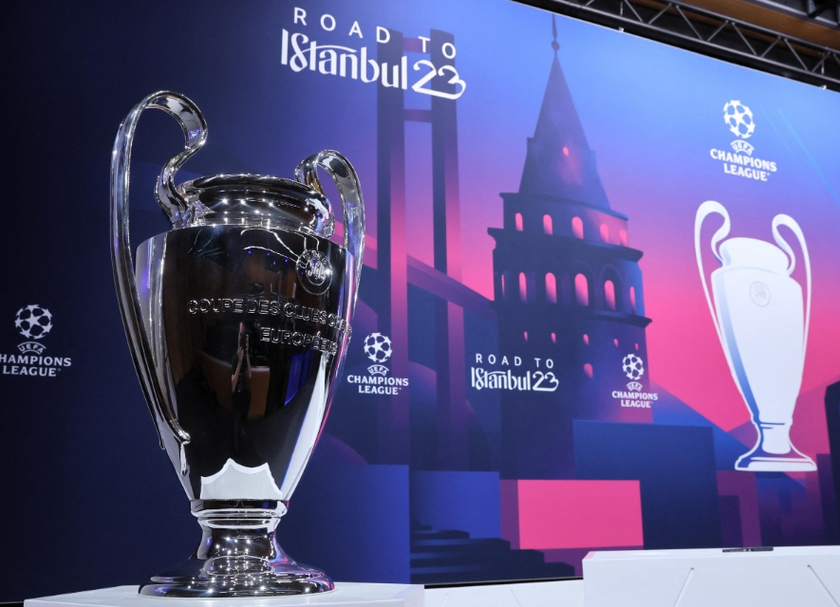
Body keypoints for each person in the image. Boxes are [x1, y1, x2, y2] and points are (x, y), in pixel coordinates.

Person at [230, 322, 252, 450]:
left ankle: (242, 442)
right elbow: (232, 387)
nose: (242, 338)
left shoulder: (245, 356)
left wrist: (246, 355)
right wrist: (239, 362)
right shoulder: (234, 357)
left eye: (244, 335)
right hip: (236, 396)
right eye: (240, 335)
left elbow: (249, 375)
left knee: (244, 421)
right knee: (236, 422)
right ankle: (236, 449)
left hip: (244, 394)